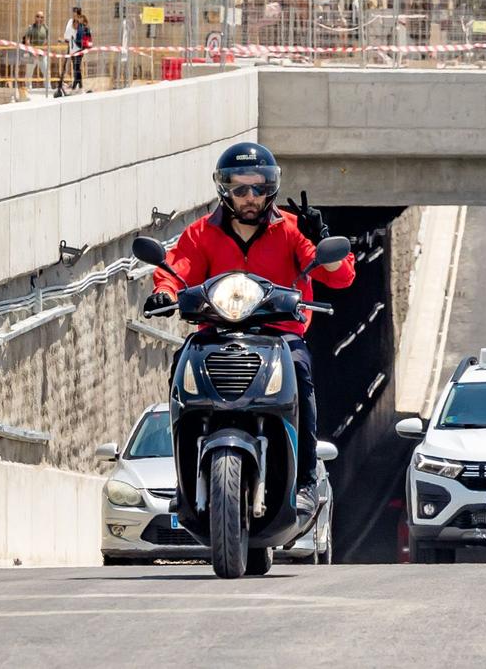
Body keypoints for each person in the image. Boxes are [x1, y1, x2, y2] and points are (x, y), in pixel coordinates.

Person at [150, 141, 356, 509]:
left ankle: (306, 479)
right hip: (215, 333)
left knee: (300, 370)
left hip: (279, 336)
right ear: (224, 189)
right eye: (240, 188)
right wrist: (165, 293)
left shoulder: (293, 229)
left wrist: (318, 236)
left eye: (258, 187)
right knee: (181, 366)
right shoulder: (200, 233)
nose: (250, 196)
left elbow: (340, 277)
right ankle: (183, 483)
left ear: (271, 188)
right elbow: (176, 270)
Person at [62, 6, 92, 93]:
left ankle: (77, 86)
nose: (73, 14)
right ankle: (79, 87)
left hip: (79, 48)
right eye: (73, 12)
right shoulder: (71, 21)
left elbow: (82, 33)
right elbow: (68, 34)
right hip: (72, 47)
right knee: (76, 68)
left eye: (75, 12)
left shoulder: (81, 21)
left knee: (76, 67)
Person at [22, 11, 51, 89]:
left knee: (46, 72)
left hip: (42, 54)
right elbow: (27, 40)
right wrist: (33, 50)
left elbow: (47, 40)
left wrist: (41, 49)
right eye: (38, 16)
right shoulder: (31, 28)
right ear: (35, 17)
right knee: (29, 73)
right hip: (32, 54)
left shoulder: (46, 28)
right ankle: (28, 88)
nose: (39, 18)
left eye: (41, 17)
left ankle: (48, 88)